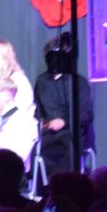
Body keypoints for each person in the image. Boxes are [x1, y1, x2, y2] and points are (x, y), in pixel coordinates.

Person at [35, 35, 94, 176]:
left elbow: (86, 113)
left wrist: (64, 121)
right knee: (34, 153)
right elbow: (36, 110)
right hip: (48, 134)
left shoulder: (78, 82)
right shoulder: (42, 81)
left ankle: (58, 184)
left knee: (70, 154)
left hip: (72, 133)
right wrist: (40, 123)